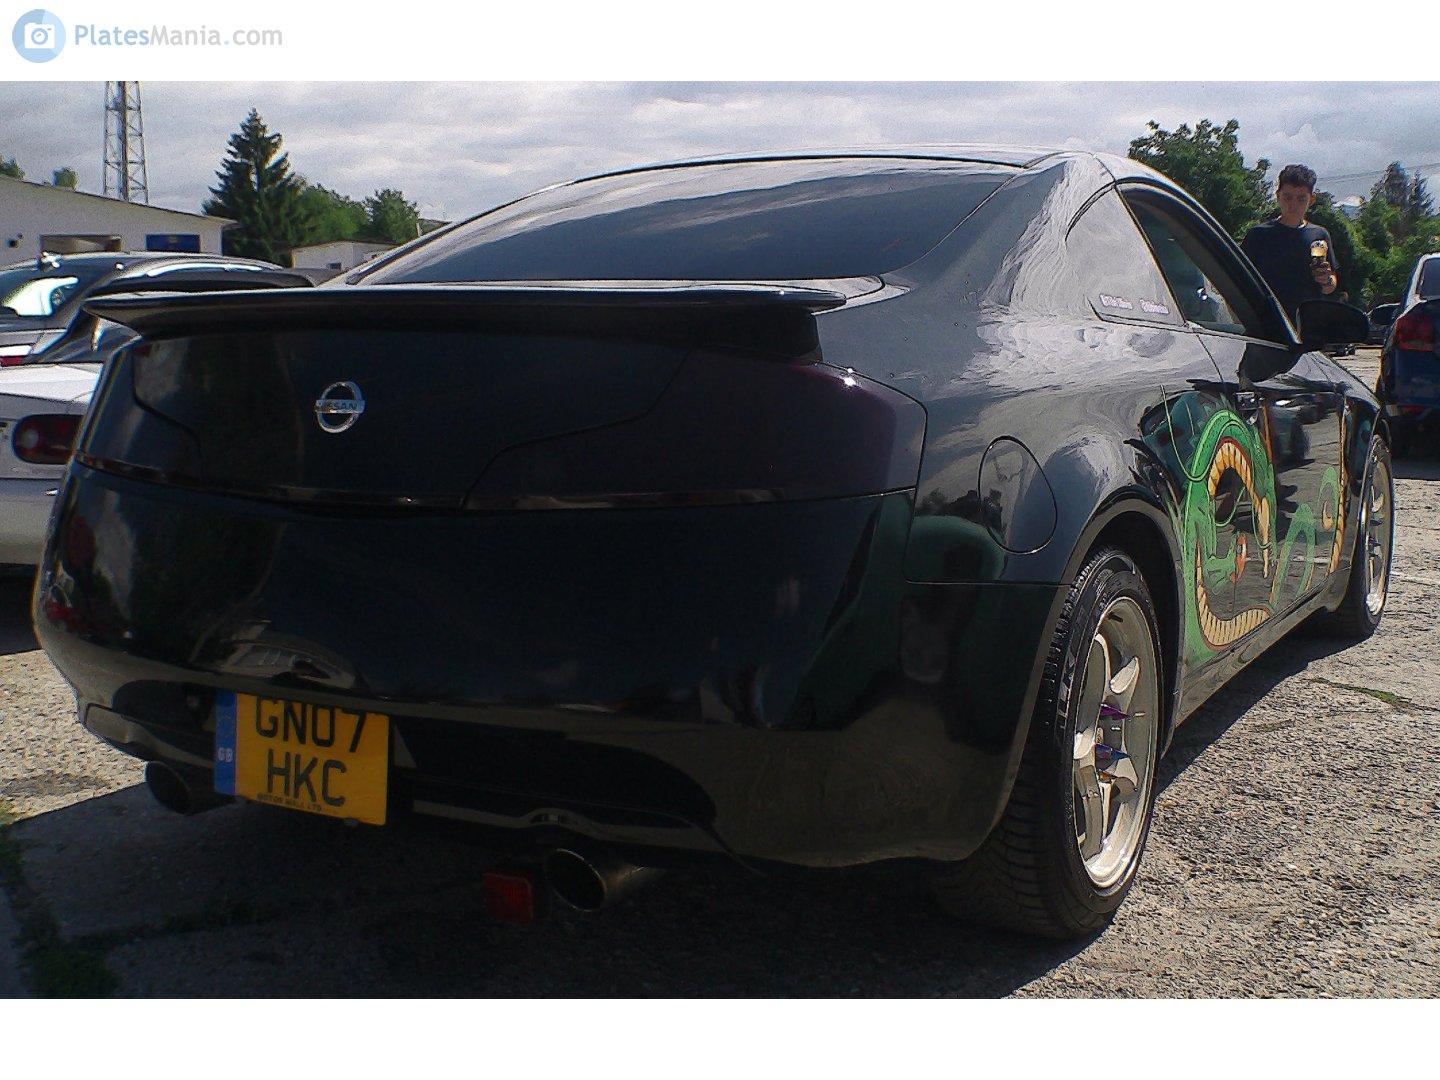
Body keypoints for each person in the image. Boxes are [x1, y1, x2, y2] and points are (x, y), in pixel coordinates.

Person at [1242, 163, 1338, 323]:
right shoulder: (1258, 235)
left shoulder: (1319, 235)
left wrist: (1327, 279)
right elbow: (1241, 279)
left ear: (1312, 199)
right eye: (1287, 197)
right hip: (1266, 323)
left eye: (1301, 199)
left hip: (1307, 324)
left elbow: (1330, 286)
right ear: (1277, 195)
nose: (1293, 205)